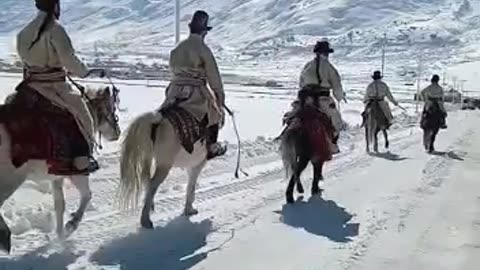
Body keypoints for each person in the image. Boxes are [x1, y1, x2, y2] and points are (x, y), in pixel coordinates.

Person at [16, 0, 104, 173]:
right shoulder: (56, 30)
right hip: (54, 87)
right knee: (83, 114)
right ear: (55, 6)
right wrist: (84, 72)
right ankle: (83, 159)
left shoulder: (23, 32)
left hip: (30, 87)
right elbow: (69, 60)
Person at [162, 10, 226, 159]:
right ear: (204, 32)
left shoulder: (177, 49)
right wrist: (219, 98)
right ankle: (211, 147)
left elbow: (173, 70)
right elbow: (214, 78)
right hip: (195, 93)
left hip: (174, 91)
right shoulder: (203, 49)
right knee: (214, 114)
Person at [297, 40, 345, 153]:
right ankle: (332, 144)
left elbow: (301, 83)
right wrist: (339, 97)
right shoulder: (329, 67)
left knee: (296, 113)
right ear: (326, 53)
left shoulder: (307, 65)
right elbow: (337, 86)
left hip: (306, 98)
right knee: (335, 118)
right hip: (322, 98)